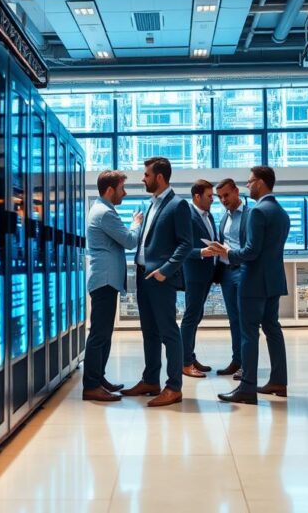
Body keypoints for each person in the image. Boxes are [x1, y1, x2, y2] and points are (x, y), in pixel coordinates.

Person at [203, 166, 289, 404]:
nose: (248, 185)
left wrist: (228, 253)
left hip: (253, 281)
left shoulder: (258, 211)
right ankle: (279, 381)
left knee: (248, 332)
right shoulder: (281, 211)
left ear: (261, 182)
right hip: (274, 280)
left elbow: (251, 251)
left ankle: (247, 388)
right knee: (272, 329)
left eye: (250, 181)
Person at [121, 157, 192, 407]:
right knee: (149, 332)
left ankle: (174, 387)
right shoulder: (150, 205)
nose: (143, 178)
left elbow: (186, 244)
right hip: (143, 276)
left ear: (159, 177)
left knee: (168, 332)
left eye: (146, 175)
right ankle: (151, 380)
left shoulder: (178, 205)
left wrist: (166, 270)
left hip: (160, 278)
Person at [82, 171, 143, 401]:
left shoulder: (102, 210)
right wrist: (136, 223)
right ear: (110, 189)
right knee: (99, 334)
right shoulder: (105, 213)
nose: (124, 193)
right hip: (104, 280)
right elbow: (129, 240)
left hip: (105, 280)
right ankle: (91, 385)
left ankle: (98, 378)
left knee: (104, 334)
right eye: (122, 188)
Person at [181, 179, 219, 379]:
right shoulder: (187, 215)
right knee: (190, 317)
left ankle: (190, 356)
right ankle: (185, 362)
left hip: (207, 273)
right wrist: (202, 252)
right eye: (209, 196)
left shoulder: (209, 216)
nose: (213, 199)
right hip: (194, 272)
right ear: (197, 196)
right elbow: (182, 247)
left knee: (196, 316)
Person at [214, 178, 249, 379]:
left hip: (242, 270)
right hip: (227, 273)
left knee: (245, 320)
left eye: (226, 195)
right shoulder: (223, 218)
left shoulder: (249, 214)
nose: (223, 200)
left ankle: (246, 364)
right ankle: (237, 360)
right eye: (220, 197)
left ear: (236, 191)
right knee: (234, 320)